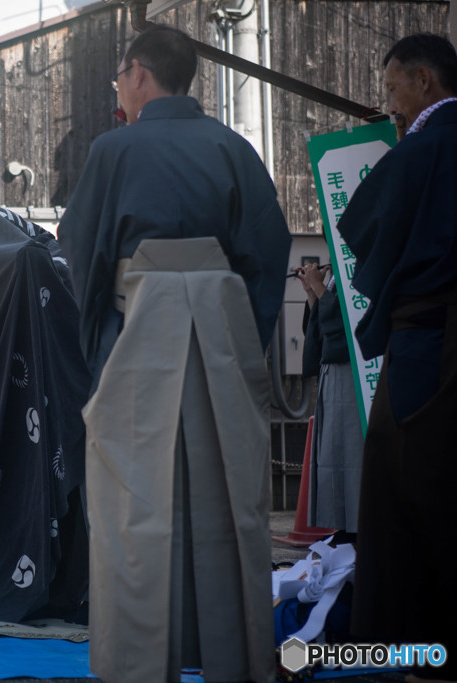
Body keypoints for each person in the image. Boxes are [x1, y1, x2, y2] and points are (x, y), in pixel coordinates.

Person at [57, 26, 290, 683]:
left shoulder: (114, 149)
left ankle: (139, 666)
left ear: (136, 74)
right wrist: (246, 339)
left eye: (119, 78)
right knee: (231, 501)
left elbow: (85, 252)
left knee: (133, 506)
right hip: (223, 332)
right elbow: (269, 252)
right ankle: (236, 660)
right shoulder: (233, 148)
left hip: (139, 330)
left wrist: (100, 341)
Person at [334, 33, 457, 682]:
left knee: (414, 490)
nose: (392, 108)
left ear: (425, 81)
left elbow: (367, 231)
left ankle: (429, 652)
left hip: (429, 347)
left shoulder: (428, 145)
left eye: (393, 91)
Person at [298, 262, 363, 537]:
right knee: (333, 452)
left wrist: (318, 286)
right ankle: (343, 525)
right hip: (332, 369)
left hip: (350, 368)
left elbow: (346, 321)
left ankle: (354, 526)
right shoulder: (338, 267)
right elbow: (322, 325)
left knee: (348, 452)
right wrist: (313, 293)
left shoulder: (354, 264)